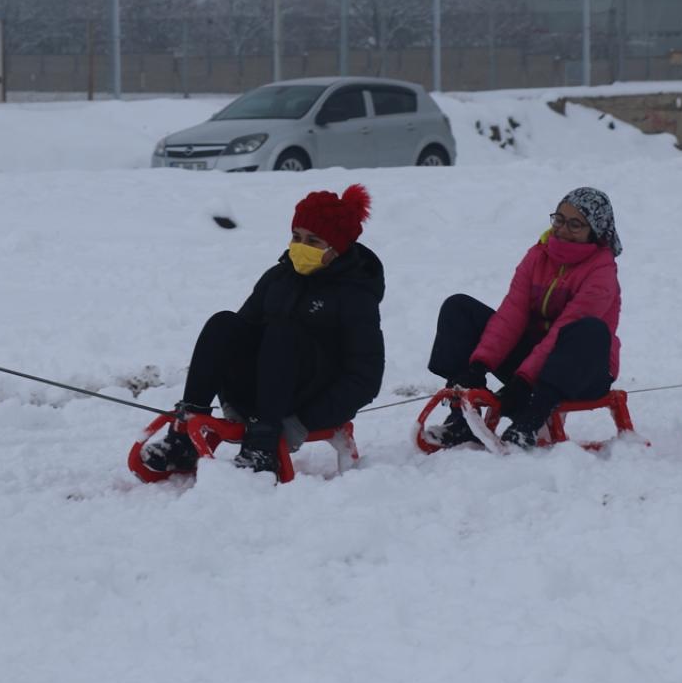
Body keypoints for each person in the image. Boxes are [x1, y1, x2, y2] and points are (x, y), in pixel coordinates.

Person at [141, 184, 385, 475]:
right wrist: (231, 396)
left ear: (337, 248)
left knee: (284, 332)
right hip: (264, 388)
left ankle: (263, 446)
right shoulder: (278, 277)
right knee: (224, 323)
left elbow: (365, 378)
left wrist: (302, 422)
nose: (300, 247)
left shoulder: (355, 296)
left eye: (313, 241)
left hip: (306, 400)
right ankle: (184, 434)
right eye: (296, 237)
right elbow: (240, 336)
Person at [424, 187, 623, 449]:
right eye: (559, 219)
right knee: (459, 308)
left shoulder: (601, 271)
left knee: (587, 330)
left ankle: (531, 420)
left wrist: (525, 381)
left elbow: (563, 328)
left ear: (594, 231)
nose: (562, 229)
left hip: (581, 371)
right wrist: (479, 365)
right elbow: (511, 314)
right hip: (530, 365)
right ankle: (462, 416)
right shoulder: (538, 255)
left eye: (575, 224)